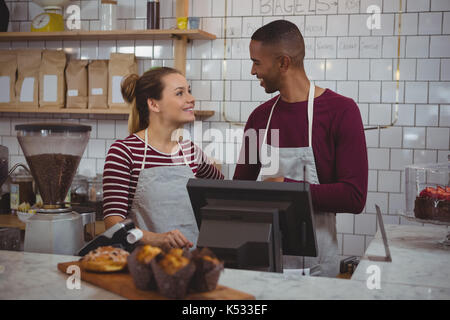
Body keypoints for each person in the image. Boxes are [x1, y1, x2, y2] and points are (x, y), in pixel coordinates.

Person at [233, 20, 368, 277]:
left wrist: (287, 187)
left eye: (257, 62)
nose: (252, 71)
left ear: (283, 63)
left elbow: (354, 196)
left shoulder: (341, 111)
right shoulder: (259, 118)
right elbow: (241, 187)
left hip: (317, 265)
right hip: (263, 260)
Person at [103, 67, 224, 251]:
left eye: (189, 91)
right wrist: (156, 239)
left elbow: (223, 196)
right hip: (143, 265)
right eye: (179, 93)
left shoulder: (191, 152)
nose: (191, 99)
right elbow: (114, 225)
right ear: (154, 104)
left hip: (192, 263)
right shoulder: (124, 152)